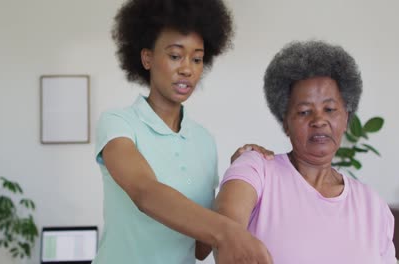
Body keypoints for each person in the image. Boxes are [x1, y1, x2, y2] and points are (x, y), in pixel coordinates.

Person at [93, 0, 273, 263]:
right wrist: (228, 232)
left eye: (197, 58)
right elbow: (145, 192)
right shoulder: (118, 123)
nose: (187, 69)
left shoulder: (204, 141)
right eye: (175, 56)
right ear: (147, 58)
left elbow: (201, 249)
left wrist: (237, 172)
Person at [215, 40, 397, 263]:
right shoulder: (256, 169)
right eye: (304, 112)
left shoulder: (372, 205)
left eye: (330, 109)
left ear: (347, 119)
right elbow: (224, 234)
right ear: (285, 122)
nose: (319, 120)